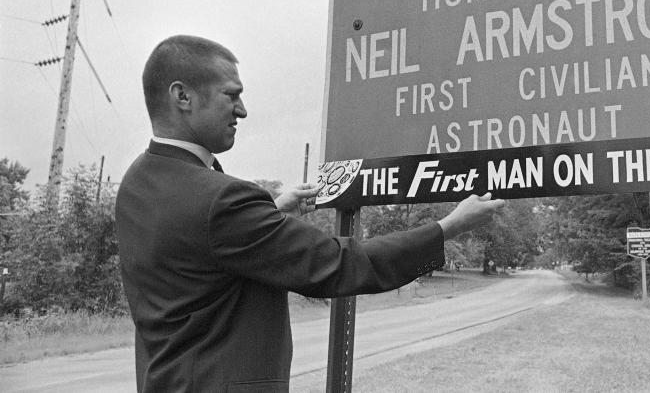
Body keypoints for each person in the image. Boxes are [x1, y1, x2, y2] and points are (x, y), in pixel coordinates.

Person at [116, 35, 503, 392]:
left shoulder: (137, 182)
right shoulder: (222, 203)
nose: (243, 110)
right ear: (182, 96)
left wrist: (266, 211)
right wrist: (448, 227)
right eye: (230, 95)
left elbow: (200, 244)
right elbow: (338, 264)